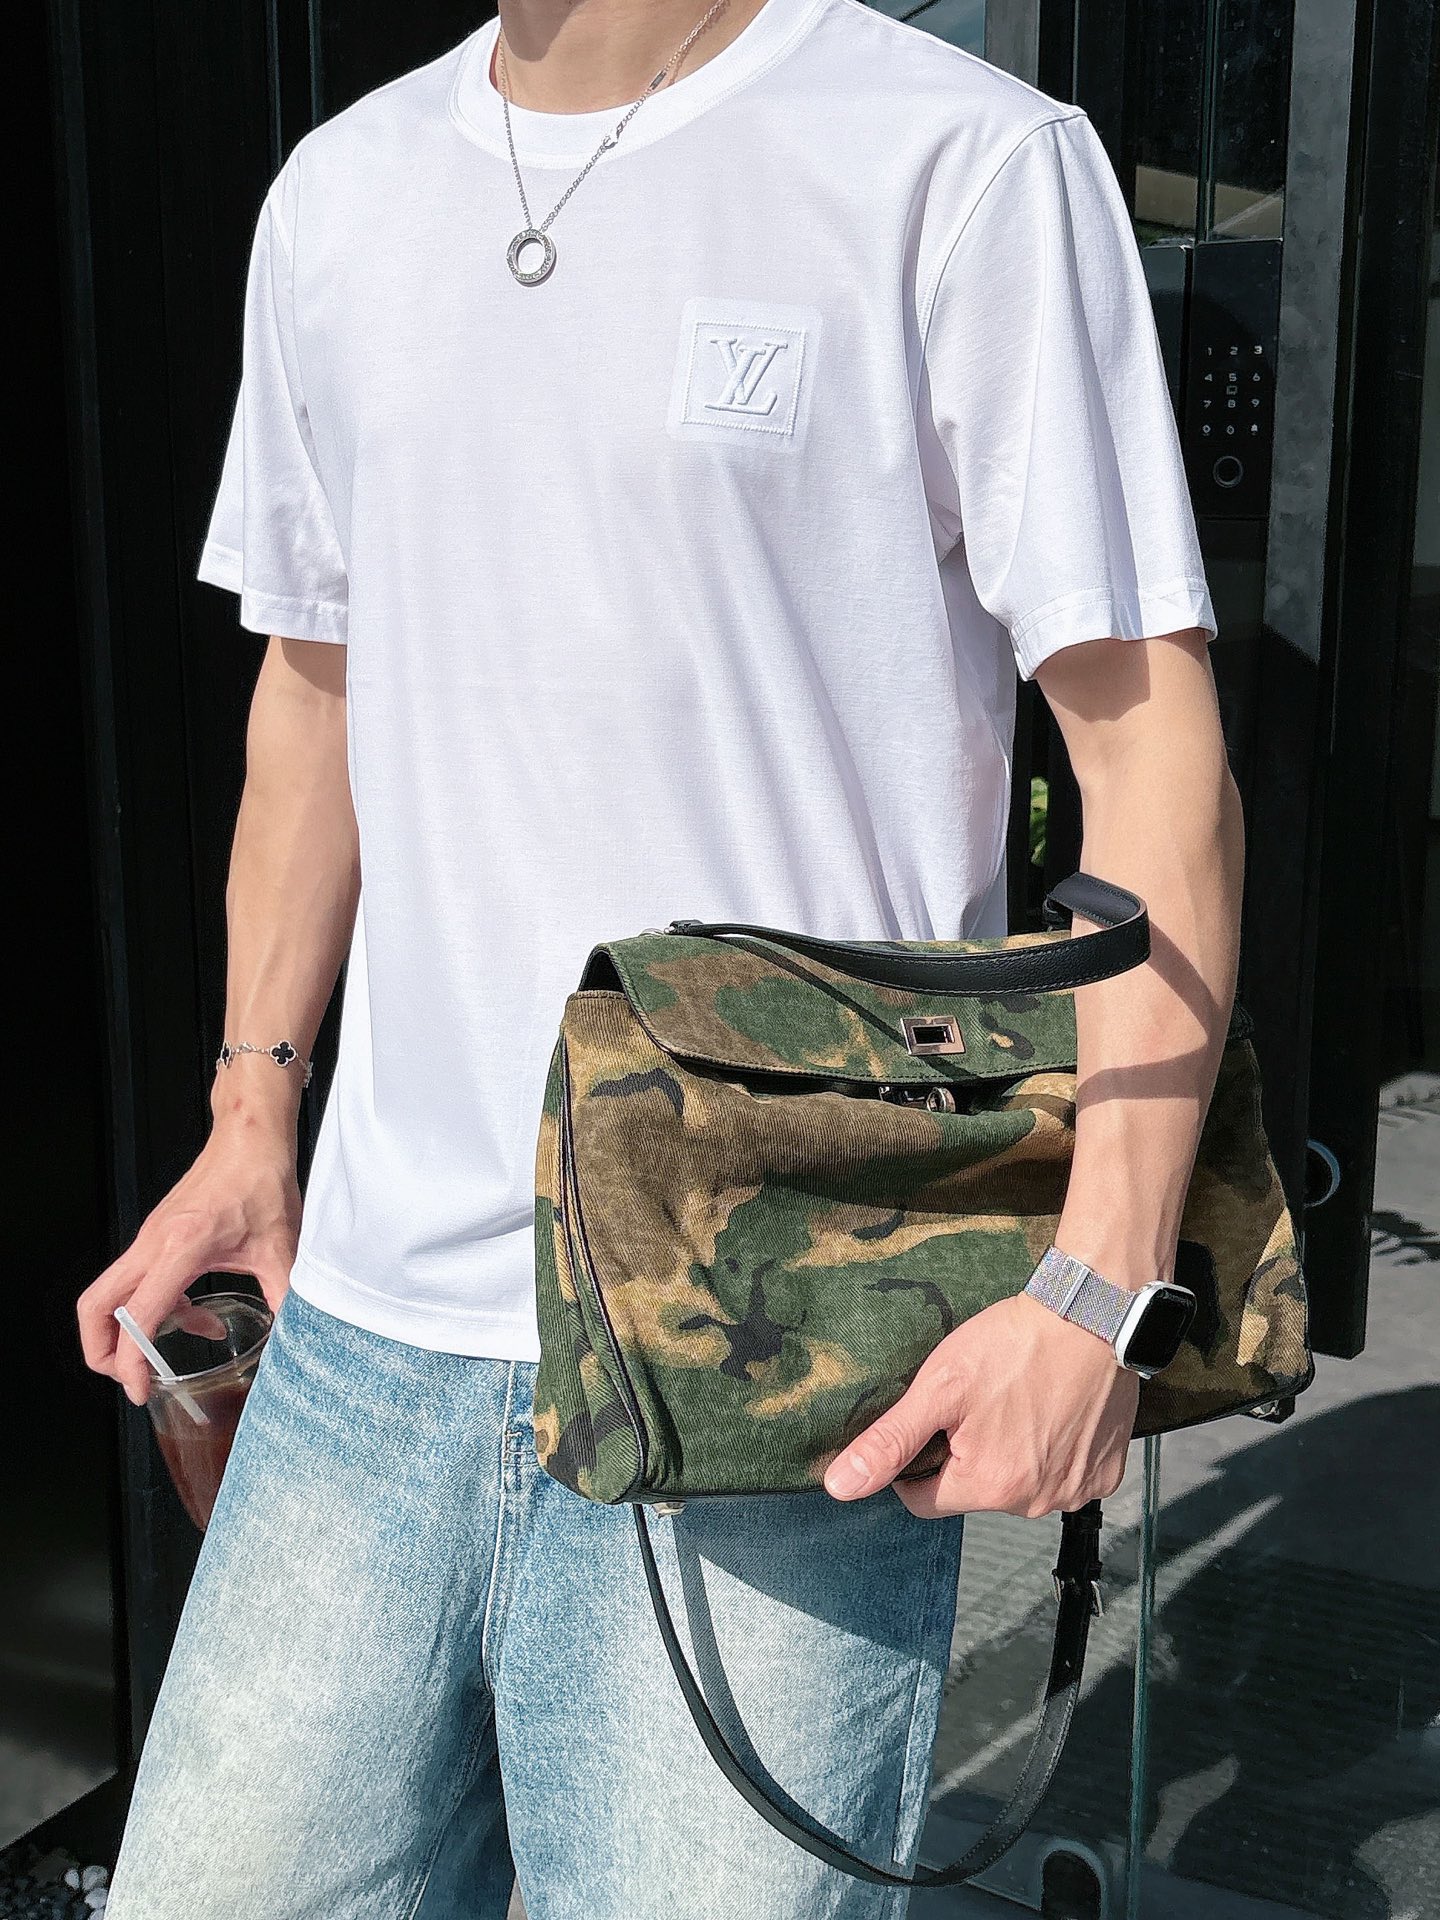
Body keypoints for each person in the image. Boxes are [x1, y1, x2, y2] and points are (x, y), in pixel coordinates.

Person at [80, 1, 1242, 1914]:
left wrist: (1099, 1286)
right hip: (368, 1339)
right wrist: (251, 1109)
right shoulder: (341, 193)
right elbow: (315, 688)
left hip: (767, 1341)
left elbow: (1147, 752)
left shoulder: (957, 164)